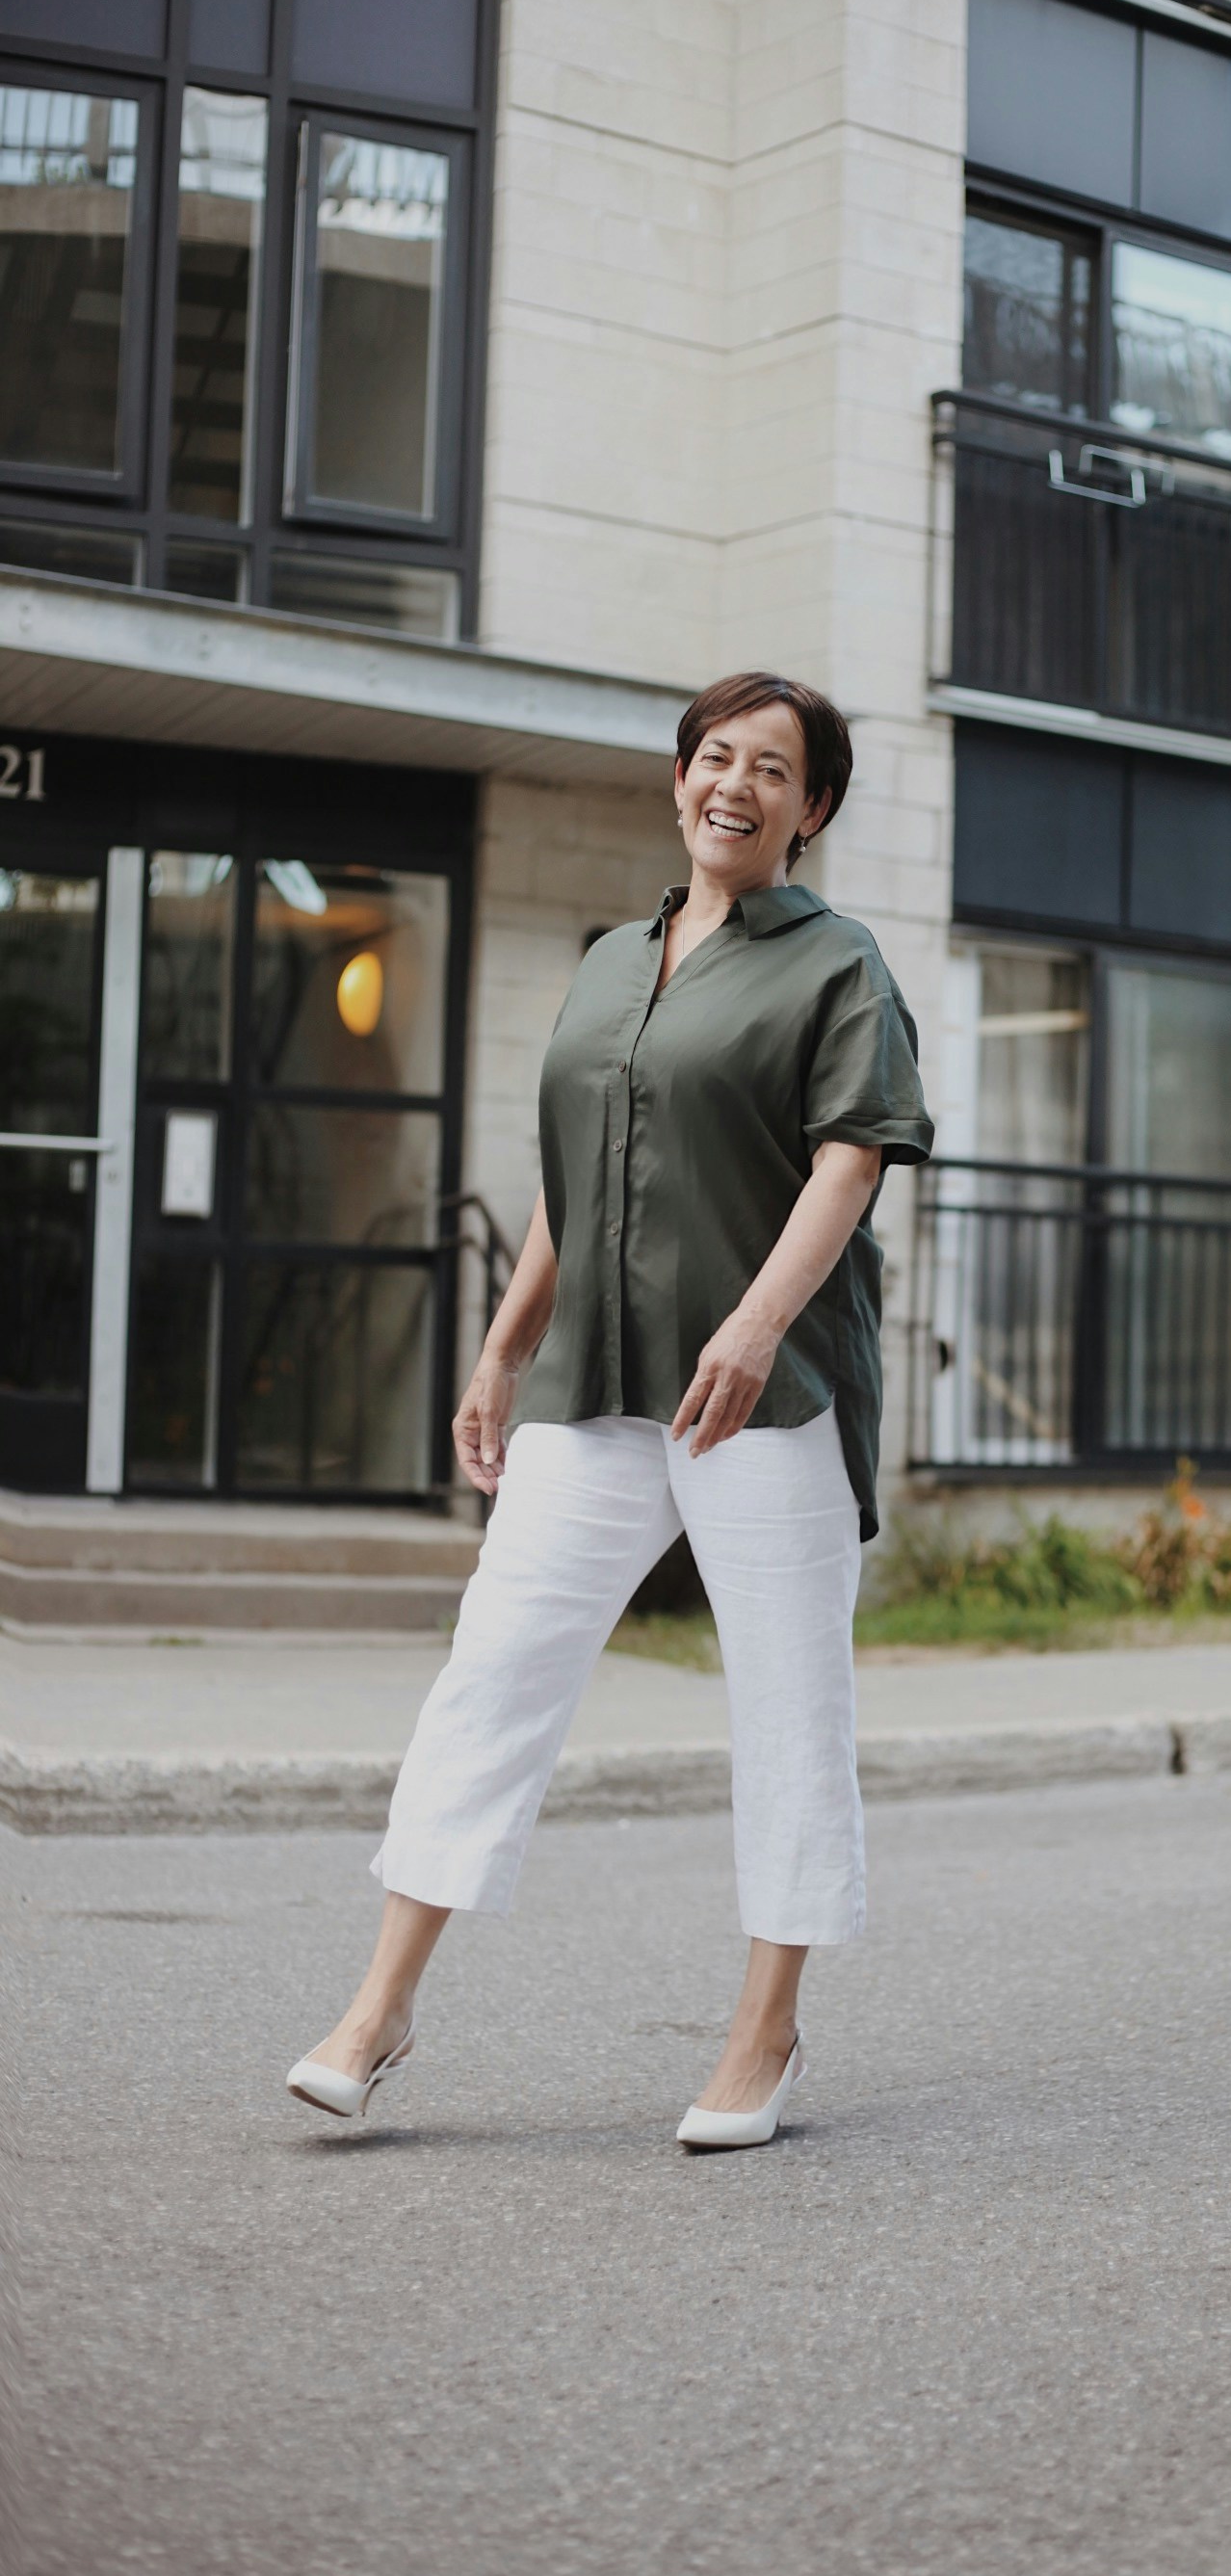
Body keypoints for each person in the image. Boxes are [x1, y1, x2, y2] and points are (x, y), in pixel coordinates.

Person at [284, 670, 932, 2149]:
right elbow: (574, 1181)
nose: (738, 784)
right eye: (717, 757)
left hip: (769, 1394)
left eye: (774, 769)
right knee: (495, 1670)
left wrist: (761, 1327)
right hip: (595, 1383)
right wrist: (507, 1344)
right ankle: (377, 2012)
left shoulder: (839, 967)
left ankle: (765, 2035)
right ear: (679, 779)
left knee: (786, 1705)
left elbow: (852, 1162)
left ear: (811, 809)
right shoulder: (605, 963)